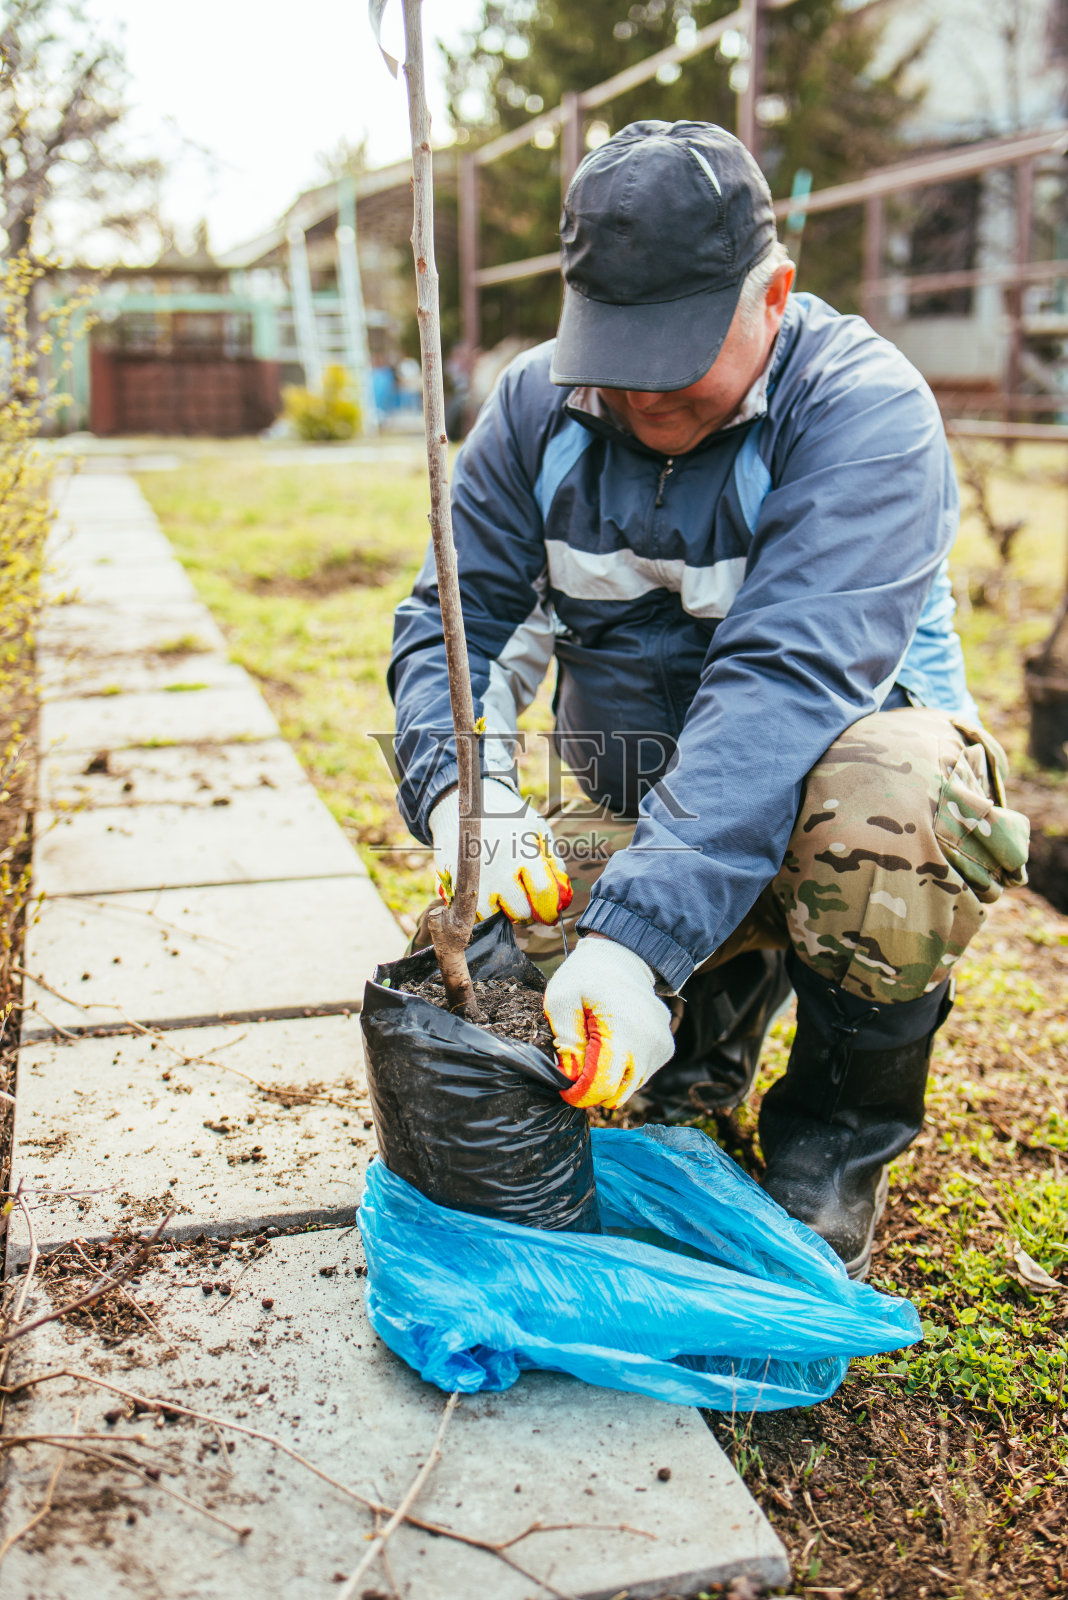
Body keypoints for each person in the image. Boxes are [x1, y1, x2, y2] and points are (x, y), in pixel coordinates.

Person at [389, 120, 1029, 1280]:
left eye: (675, 350)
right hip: (650, 809)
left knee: (891, 799)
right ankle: (705, 1036)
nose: (639, 393)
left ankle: (835, 1133)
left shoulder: (862, 412)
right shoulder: (537, 408)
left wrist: (634, 943)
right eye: (614, 349)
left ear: (774, 293)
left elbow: (780, 686)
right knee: (478, 964)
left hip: (844, 824)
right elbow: (453, 622)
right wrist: (463, 799)